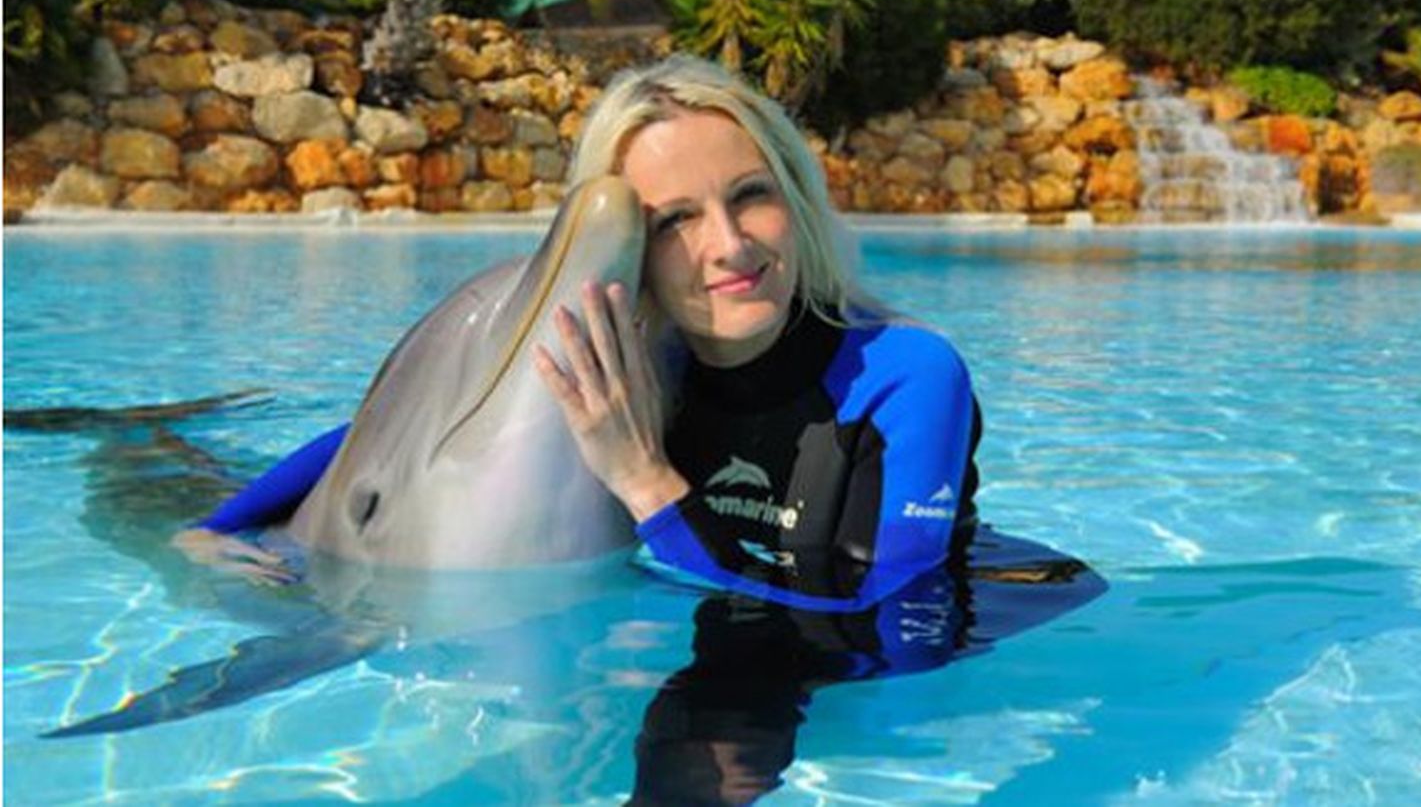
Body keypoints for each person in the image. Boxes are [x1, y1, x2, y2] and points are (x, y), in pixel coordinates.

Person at [175, 54, 982, 612]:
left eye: (751, 195)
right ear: (644, 261)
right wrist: (217, 529)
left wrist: (644, 481)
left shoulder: (905, 374)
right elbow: (367, 442)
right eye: (673, 222)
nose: (730, 246)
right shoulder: (653, 366)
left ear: (797, 196)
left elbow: (887, 628)